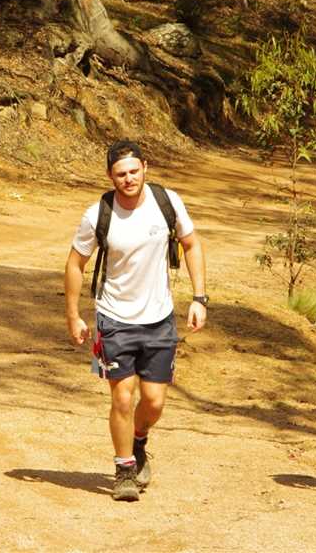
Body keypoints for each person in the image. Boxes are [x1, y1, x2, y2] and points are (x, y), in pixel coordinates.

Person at [64, 140, 207, 501]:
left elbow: (191, 244)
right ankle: (124, 469)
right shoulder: (98, 213)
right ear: (110, 177)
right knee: (123, 399)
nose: (128, 179)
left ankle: (138, 441)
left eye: (133, 171)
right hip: (114, 318)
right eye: (120, 174)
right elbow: (74, 263)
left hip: (159, 319)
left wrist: (199, 297)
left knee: (154, 402)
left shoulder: (167, 202)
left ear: (145, 167)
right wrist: (73, 315)